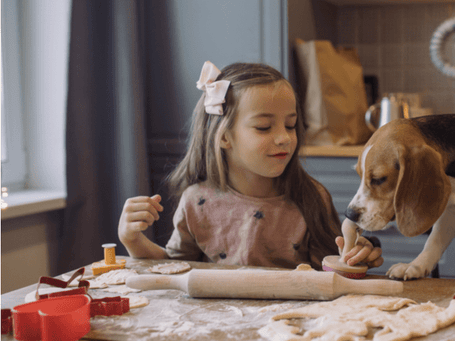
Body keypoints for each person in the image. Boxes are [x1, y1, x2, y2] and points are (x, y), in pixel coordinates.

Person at [118, 61, 383, 270]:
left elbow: (333, 271)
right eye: (264, 127)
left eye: (290, 125)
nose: (285, 138)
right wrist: (133, 240)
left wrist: (358, 255)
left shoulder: (311, 197)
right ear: (224, 137)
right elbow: (174, 268)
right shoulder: (195, 201)